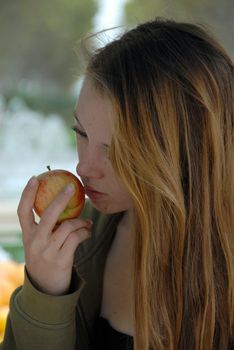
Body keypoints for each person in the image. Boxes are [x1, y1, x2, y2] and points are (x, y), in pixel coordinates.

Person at [1, 17, 234, 350]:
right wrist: (46, 294)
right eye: (81, 133)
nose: (84, 167)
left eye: (118, 151)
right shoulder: (84, 237)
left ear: (188, 154)